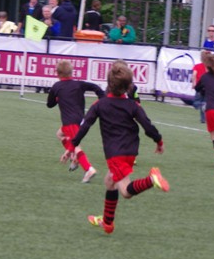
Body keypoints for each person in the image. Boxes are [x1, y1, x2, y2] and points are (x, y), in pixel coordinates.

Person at [67, 61, 170, 235]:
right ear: (129, 86)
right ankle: (107, 223)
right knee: (110, 181)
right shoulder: (133, 105)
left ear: (108, 84)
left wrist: (72, 146)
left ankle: (151, 180)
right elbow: (147, 125)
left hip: (115, 153)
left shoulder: (99, 104)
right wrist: (158, 141)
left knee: (126, 191)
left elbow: (84, 126)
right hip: (131, 151)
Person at [47, 60, 105, 183]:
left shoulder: (57, 86)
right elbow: (95, 87)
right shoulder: (79, 84)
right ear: (71, 72)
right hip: (80, 120)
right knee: (60, 134)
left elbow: (49, 104)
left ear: (57, 73)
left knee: (76, 146)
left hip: (70, 122)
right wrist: (102, 98)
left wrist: (57, 98)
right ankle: (74, 156)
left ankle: (88, 169)